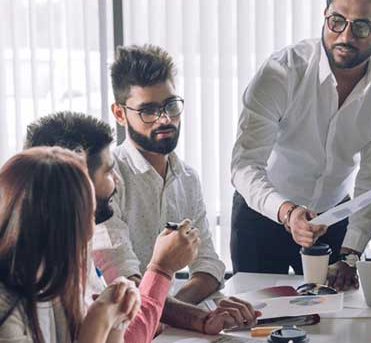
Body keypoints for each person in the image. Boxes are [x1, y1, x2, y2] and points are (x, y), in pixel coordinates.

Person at [230, 0, 371, 290]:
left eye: (362, 26)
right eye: (336, 21)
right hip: (263, 213)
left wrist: (351, 253)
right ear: (325, 14)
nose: (345, 36)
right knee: (256, 322)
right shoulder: (281, 71)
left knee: (333, 321)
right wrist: (287, 212)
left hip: (334, 217)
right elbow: (244, 165)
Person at [25, 111, 252, 335]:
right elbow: (125, 332)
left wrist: (201, 319)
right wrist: (161, 269)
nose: (115, 180)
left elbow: (121, 330)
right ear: (77, 180)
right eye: (107, 171)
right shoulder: (32, 277)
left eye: (171, 106)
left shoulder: (74, 250)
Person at [93, 45, 259, 330]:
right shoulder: (106, 181)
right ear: (120, 114)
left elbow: (209, 267)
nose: (165, 119)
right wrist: (191, 316)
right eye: (148, 110)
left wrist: (163, 305)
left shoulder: (187, 178)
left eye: (170, 105)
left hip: (159, 328)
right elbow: (124, 284)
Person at [0, 147, 141, 343]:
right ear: (62, 225)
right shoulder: (5, 307)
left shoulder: (57, 281)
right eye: (90, 215)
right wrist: (99, 319)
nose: (93, 228)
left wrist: (118, 318)